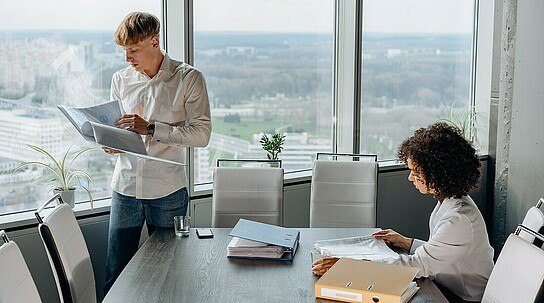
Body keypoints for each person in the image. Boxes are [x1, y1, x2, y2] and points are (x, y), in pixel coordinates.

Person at [311, 122, 494, 302]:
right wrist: (406, 242)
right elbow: (438, 251)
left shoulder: (459, 219)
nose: (410, 177)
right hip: (445, 286)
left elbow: (417, 266)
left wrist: (348, 267)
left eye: (415, 172)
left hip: (459, 297)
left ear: (437, 173)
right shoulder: (451, 201)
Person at [103, 12, 211, 294]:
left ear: (154, 41)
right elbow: (123, 129)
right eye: (124, 51)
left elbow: (202, 134)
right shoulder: (120, 79)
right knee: (116, 271)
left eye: (133, 50)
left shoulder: (189, 78)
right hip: (124, 187)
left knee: (171, 271)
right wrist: (111, 141)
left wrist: (151, 129)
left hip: (167, 190)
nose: (128, 58)